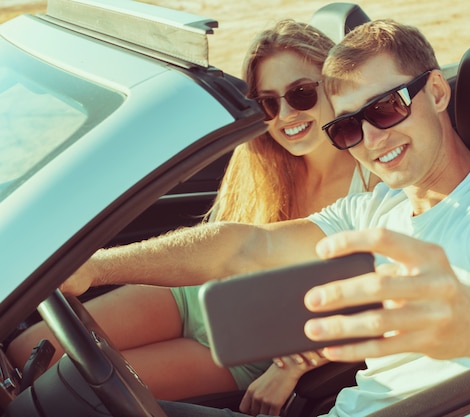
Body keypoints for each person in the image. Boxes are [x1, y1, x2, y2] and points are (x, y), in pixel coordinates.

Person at [52, 19, 470, 417]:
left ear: (437, 92)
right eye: (349, 127)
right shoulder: (378, 207)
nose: (372, 141)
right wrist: (95, 265)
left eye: (386, 108)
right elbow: (243, 247)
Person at [7, 20, 376, 413]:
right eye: (268, 102)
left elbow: (379, 292)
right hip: (194, 294)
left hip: (249, 344)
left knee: (58, 394)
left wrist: (296, 366)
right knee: (23, 349)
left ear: (334, 84)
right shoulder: (264, 163)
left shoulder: (371, 180)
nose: (285, 114)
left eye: (301, 94)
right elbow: (220, 248)